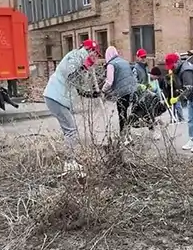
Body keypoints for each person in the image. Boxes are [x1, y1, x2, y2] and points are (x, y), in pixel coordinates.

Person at [44, 40, 96, 172]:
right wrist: (85, 67)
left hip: (57, 97)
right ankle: (69, 162)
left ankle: (69, 160)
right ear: (89, 50)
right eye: (94, 53)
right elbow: (72, 77)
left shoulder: (78, 58)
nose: (95, 56)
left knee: (69, 131)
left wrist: (93, 94)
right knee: (71, 130)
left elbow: (78, 87)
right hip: (56, 97)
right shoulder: (76, 56)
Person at [101, 45, 139, 139]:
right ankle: (128, 134)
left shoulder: (111, 64)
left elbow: (109, 82)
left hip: (122, 92)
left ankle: (123, 136)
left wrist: (103, 90)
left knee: (122, 114)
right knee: (127, 112)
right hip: (132, 89)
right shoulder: (124, 62)